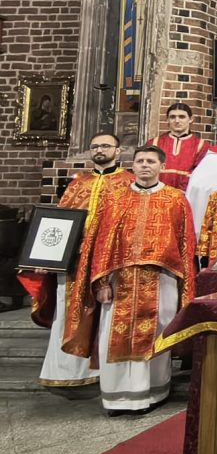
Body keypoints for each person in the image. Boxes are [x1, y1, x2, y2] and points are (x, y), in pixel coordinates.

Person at [65, 145, 196, 415]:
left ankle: (154, 392)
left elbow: (185, 243)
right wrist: (101, 283)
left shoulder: (176, 199)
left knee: (159, 332)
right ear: (132, 166)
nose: (145, 165)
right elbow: (99, 243)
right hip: (119, 279)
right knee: (113, 334)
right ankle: (117, 398)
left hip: (162, 278)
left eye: (151, 161)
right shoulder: (115, 198)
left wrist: (184, 284)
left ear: (161, 166)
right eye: (140, 161)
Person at [28, 134, 133, 391]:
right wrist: (46, 257)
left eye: (105, 146)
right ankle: (66, 371)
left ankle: (103, 369)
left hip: (109, 260)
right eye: (95, 146)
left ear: (118, 151)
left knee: (106, 312)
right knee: (68, 311)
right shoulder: (78, 184)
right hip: (74, 260)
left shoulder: (128, 183)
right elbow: (59, 222)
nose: (99, 150)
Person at [145, 103, 210, 191]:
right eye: (172, 117)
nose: (177, 121)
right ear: (167, 120)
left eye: (182, 117)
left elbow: (199, 173)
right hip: (157, 192)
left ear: (190, 119)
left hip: (186, 193)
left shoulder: (201, 145)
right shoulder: (154, 143)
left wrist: (178, 193)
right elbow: (146, 169)